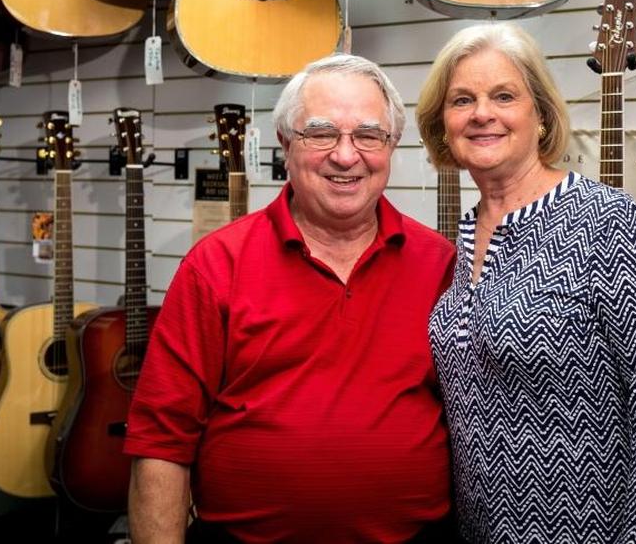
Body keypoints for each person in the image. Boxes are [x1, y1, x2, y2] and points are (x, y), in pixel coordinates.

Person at [125, 54, 457, 543]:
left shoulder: (441, 264)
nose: (346, 156)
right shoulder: (216, 264)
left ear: (391, 147)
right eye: (321, 133)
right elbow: (160, 439)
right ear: (284, 143)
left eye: (368, 135)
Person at [415, 23, 636, 543]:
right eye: (462, 100)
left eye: (504, 95)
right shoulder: (463, 232)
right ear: (443, 124)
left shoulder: (611, 223)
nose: (481, 113)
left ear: (540, 115)